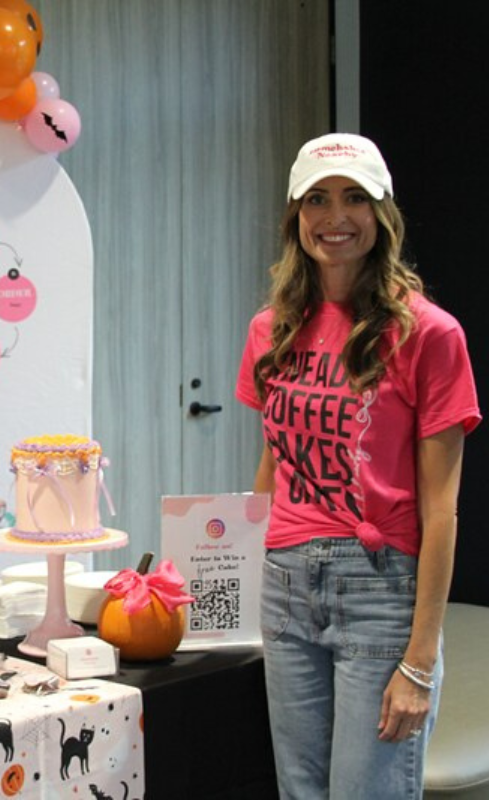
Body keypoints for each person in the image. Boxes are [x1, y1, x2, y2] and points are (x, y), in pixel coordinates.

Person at [235, 132, 481, 799]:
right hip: (285, 584)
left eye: (353, 199)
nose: (333, 217)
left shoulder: (430, 334)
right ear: (296, 217)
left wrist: (421, 660)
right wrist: (228, 574)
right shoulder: (271, 328)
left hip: (378, 590)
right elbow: (272, 463)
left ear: (382, 216)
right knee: (300, 791)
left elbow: (440, 511)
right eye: (316, 199)